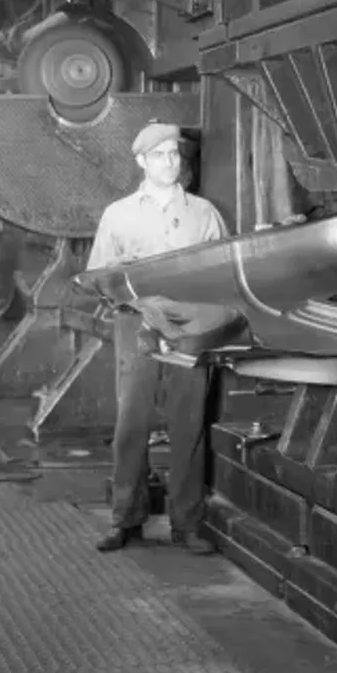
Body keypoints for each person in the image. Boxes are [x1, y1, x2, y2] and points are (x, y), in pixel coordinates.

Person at [86, 121, 227, 555]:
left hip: (190, 326)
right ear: (141, 161)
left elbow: (224, 274)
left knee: (188, 424)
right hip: (137, 324)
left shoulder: (205, 213)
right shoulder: (119, 214)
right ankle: (126, 518)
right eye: (160, 154)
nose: (170, 162)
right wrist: (121, 274)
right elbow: (98, 277)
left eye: (174, 154)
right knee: (132, 423)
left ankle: (187, 523)